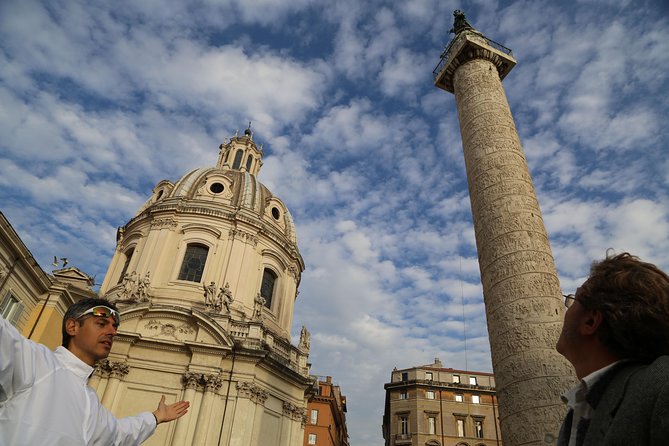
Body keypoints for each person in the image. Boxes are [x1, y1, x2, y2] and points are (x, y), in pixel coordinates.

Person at [0, 297, 189, 445]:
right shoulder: (36, 361)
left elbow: (119, 435)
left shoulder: (92, 403)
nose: (112, 332)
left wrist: (156, 417)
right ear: (73, 327)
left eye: (114, 327)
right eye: (101, 324)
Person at [556, 252, 669, 445]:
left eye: (573, 300)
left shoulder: (662, 388)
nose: (566, 309)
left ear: (590, 321)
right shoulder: (578, 412)